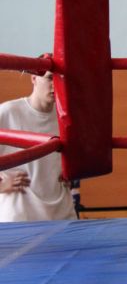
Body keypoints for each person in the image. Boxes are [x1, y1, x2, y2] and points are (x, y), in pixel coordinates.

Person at [0, 59, 76, 222]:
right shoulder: (8, 112)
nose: (55, 84)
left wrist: (72, 172)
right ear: (34, 78)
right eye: (49, 78)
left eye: (60, 79)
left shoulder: (66, 118)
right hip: (19, 216)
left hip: (62, 213)